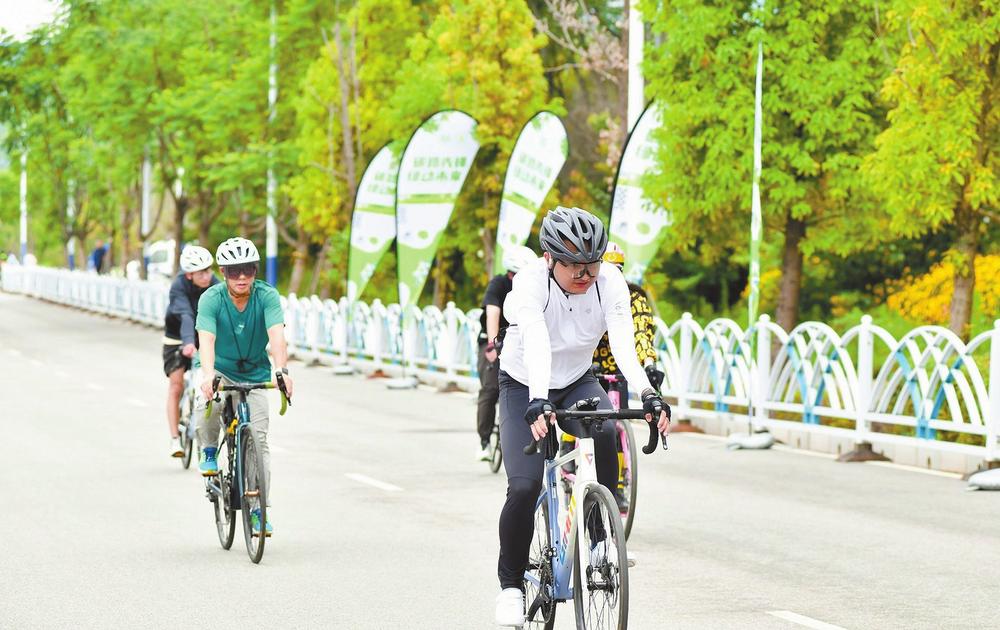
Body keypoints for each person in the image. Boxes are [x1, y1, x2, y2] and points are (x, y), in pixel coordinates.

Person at [493, 206, 670, 626]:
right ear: (549, 259)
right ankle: (511, 587)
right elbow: (537, 343)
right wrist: (538, 399)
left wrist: (648, 394)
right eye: (573, 265)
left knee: (606, 429)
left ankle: (600, 541)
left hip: (576, 379)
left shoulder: (610, 283)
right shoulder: (529, 285)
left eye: (592, 264)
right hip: (523, 383)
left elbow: (624, 345)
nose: (584, 274)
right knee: (524, 486)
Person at [194, 237, 294, 537]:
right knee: (207, 403)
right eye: (234, 271)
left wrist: (282, 370)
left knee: (259, 442)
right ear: (223, 272)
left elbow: (277, 336)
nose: (241, 277)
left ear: (255, 271)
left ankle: (258, 510)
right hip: (219, 369)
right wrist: (208, 376)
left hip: (255, 372)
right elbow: (206, 340)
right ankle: (209, 449)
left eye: (248, 269)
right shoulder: (211, 299)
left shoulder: (267, 296)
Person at [476, 244, 538, 461]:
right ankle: (484, 441)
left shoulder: (533, 286)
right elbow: (493, 313)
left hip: (520, 341)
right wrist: (493, 345)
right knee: (491, 388)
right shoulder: (499, 284)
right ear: (510, 274)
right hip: (494, 340)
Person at [163, 245, 219, 458]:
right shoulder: (178, 286)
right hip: (178, 336)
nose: (206, 276)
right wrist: (188, 343)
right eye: (201, 273)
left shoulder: (215, 285)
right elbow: (186, 315)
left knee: (208, 380)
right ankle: (174, 439)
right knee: (176, 385)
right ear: (189, 275)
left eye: (208, 270)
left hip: (204, 336)